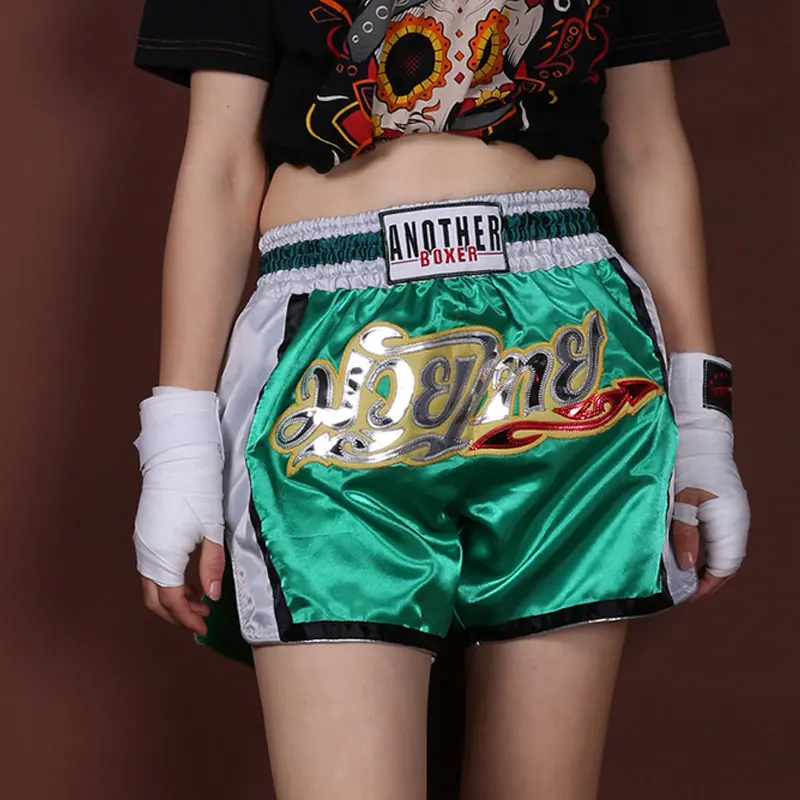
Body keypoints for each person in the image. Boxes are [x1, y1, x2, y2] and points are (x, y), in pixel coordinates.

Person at [131, 2, 750, 798]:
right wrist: (179, 438)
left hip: (566, 336)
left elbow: (646, 144)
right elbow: (220, 163)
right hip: (338, 357)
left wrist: (703, 417)